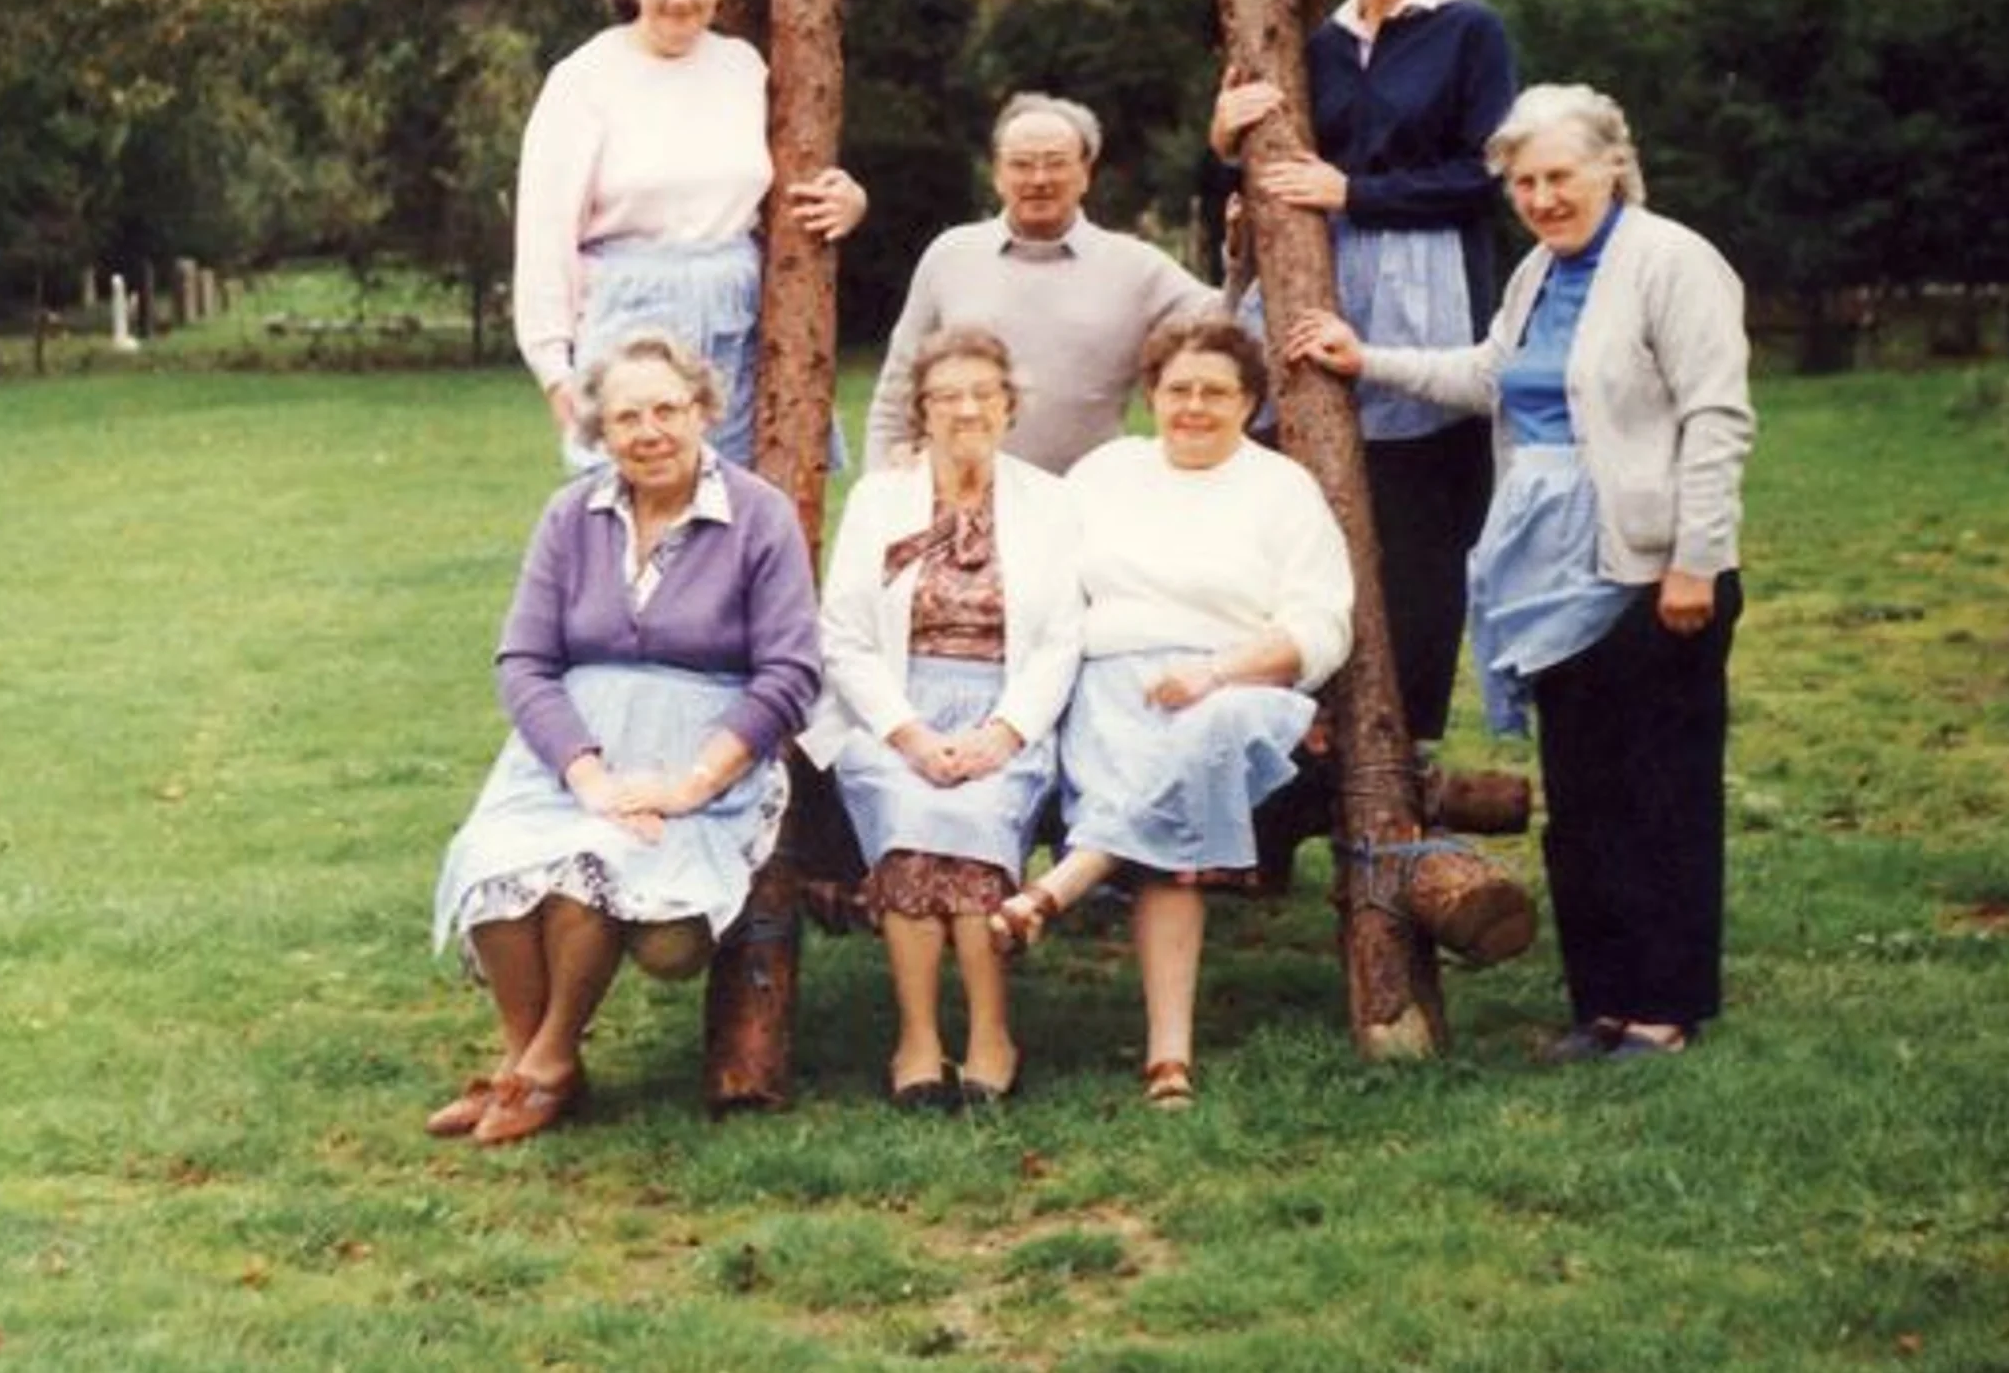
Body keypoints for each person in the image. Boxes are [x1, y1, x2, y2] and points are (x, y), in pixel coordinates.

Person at [1285, 83, 1754, 1063]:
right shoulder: (1539, 270)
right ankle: (1603, 1003)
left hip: (1648, 569)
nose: (1542, 198)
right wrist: (1366, 359)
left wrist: (1695, 561)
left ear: (1613, 166)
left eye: (1560, 176)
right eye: (1525, 183)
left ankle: (1666, 1004)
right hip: (1551, 568)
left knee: (1659, 792)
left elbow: (1717, 418)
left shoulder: (1673, 261)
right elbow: (1488, 376)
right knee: (1581, 796)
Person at [430, 331, 822, 1144]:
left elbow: (789, 673)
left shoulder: (759, 515)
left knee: (592, 866)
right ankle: (532, 1058)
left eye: (667, 410)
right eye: (626, 418)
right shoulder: (570, 516)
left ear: (703, 411)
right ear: (599, 432)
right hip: (570, 752)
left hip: (700, 757)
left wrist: (690, 783)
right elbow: (524, 660)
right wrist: (587, 774)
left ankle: (543, 1066)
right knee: (492, 859)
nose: (650, 432)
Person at [992, 318, 1353, 1109]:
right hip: (1109, 681)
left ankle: (1062, 884)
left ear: (1249, 402)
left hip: (1238, 687)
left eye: (1215, 392)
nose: (1194, 406)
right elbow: (1048, 591)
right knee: (1169, 825)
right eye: (1177, 389)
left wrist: (1214, 672)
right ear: (1151, 394)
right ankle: (1169, 1059)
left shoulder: (1281, 488)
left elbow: (1323, 624)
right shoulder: (1104, 473)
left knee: (1204, 738)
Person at [1210, 0, 1516, 748]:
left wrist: (1355, 192)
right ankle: (1297, 730)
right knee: (1298, 496)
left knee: (1418, 523)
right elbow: (1269, 178)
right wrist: (1223, 138)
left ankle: (1406, 740)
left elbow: (1488, 175)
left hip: (1429, 290)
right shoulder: (1321, 45)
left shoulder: (1469, 30)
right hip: (1327, 280)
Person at [801, 329, 1083, 1111]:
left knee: (976, 814)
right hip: (893, 710)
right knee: (912, 814)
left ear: (1010, 406)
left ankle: (992, 1032)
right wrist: (912, 736)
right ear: (920, 410)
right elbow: (844, 635)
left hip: (1004, 709)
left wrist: (1003, 733)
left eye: (984, 393)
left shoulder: (1050, 502)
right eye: (947, 395)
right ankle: (918, 1036)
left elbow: (1062, 637)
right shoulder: (880, 498)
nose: (966, 409)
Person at [512, 0, 867, 471]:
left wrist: (847, 199)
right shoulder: (584, 79)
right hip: (629, 318)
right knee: (633, 498)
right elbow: (544, 236)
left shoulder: (743, 68)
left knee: (738, 501)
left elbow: (787, 185)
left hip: (738, 318)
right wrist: (554, 370)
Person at [862, 93, 1218, 476]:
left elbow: (1229, 324)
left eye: (1056, 163)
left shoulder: (1136, 267)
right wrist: (880, 485)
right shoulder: (951, 255)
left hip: (1086, 496)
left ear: (1085, 173)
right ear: (998, 174)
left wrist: (1242, 259)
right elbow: (897, 392)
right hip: (966, 494)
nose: (1039, 179)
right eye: (1021, 164)